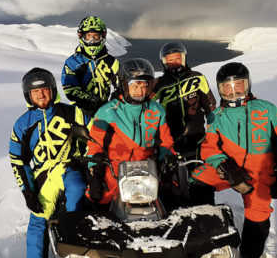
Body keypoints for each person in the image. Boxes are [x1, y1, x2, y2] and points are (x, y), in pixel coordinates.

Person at [191, 62, 277, 258]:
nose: (234, 91)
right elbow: (209, 147)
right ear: (220, 90)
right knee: (199, 180)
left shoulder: (267, 109)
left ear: (247, 85)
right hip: (229, 166)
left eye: (239, 85)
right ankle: (205, 234)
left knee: (258, 216)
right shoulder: (216, 116)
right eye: (227, 87)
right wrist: (225, 166)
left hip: (260, 170)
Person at [9, 67, 88, 258]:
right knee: (38, 216)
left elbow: (96, 131)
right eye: (36, 93)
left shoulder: (71, 112)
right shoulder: (23, 124)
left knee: (77, 193)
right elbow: (18, 160)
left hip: (69, 167)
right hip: (43, 175)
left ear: (53, 91)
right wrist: (28, 191)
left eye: (45, 90)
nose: (41, 95)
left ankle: (72, 253)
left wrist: (89, 156)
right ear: (28, 96)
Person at [85, 58, 179, 205]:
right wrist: (95, 172)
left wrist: (168, 159)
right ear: (124, 85)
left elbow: (165, 142)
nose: (139, 91)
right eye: (134, 86)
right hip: (115, 170)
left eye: (144, 86)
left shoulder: (156, 110)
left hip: (148, 170)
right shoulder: (107, 112)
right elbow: (95, 146)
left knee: (174, 200)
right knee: (96, 198)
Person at [152, 41, 217, 206]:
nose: (174, 62)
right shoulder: (159, 84)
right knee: (172, 180)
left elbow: (210, 107)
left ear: (184, 58)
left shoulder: (197, 77)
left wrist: (214, 133)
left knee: (201, 178)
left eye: (177, 58)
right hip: (171, 139)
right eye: (170, 59)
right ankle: (176, 210)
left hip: (197, 138)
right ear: (164, 62)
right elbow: (144, 105)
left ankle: (205, 210)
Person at [61, 15, 120, 118]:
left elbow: (122, 84)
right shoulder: (73, 62)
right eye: (88, 36)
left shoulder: (112, 62)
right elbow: (69, 89)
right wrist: (88, 98)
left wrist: (116, 98)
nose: (92, 40)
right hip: (80, 110)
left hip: (106, 109)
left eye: (95, 36)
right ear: (82, 36)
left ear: (102, 36)